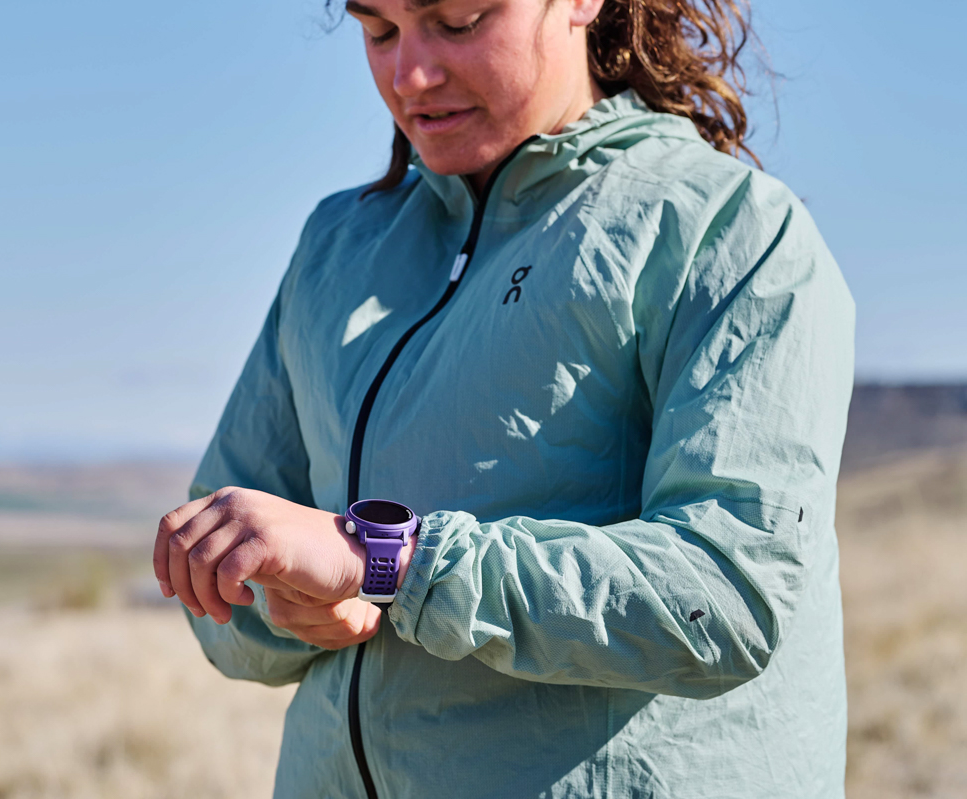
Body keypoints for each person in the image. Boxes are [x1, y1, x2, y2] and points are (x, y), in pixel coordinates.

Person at [152, 0, 855, 796]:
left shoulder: (730, 232)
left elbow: (728, 594)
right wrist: (277, 599)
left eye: (457, 20)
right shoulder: (336, 248)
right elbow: (222, 566)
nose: (409, 74)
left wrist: (390, 564)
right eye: (378, 31)